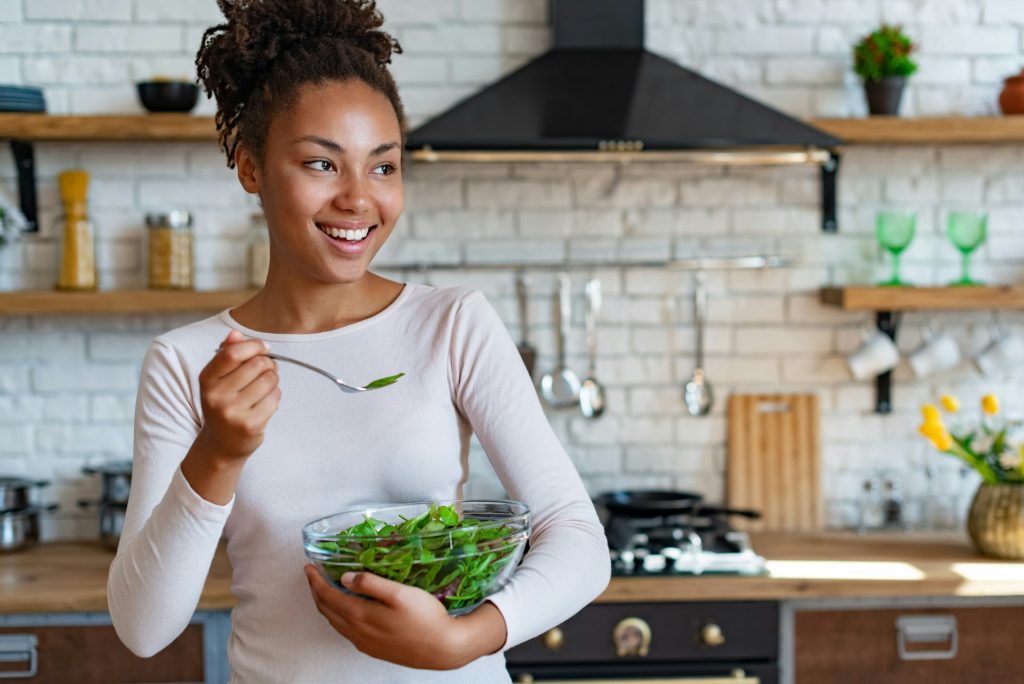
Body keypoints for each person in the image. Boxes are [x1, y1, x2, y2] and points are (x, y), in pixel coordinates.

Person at [106, 0, 610, 681]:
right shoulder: (189, 362)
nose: (358, 199)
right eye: (321, 165)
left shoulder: (451, 324)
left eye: (383, 166)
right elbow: (143, 628)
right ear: (250, 166)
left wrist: (468, 640)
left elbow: (578, 541)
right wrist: (218, 455)